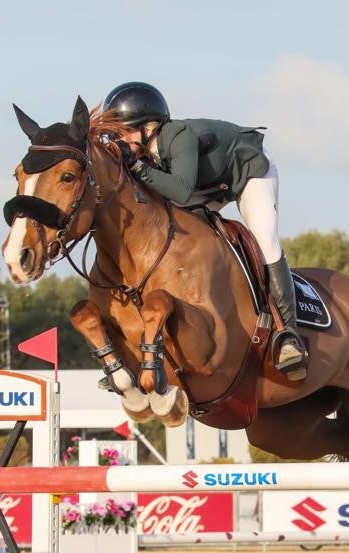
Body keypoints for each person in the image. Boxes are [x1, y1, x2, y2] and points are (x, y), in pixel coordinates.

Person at [99, 81, 307, 381]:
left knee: (265, 241)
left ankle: (288, 334)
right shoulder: (144, 150)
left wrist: (139, 168)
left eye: (124, 133)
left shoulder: (177, 136)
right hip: (209, 185)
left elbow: (181, 192)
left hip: (247, 172)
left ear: (149, 127)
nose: (120, 141)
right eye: (115, 135)